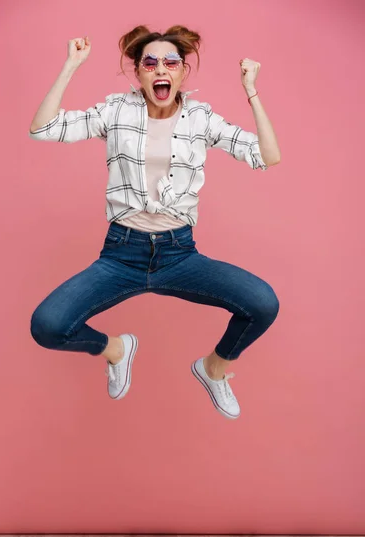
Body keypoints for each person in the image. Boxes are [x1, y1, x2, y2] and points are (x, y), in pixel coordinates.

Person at [29, 25, 281, 420]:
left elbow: (268, 156)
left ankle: (213, 370)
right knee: (47, 326)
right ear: (139, 72)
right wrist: (71, 65)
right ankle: (118, 350)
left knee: (263, 303)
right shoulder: (117, 110)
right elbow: (43, 128)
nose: (160, 68)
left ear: (182, 72)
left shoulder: (202, 118)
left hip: (179, 255)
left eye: (170, 61)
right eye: (149, 62)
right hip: (120, 255)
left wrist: (251, 90)